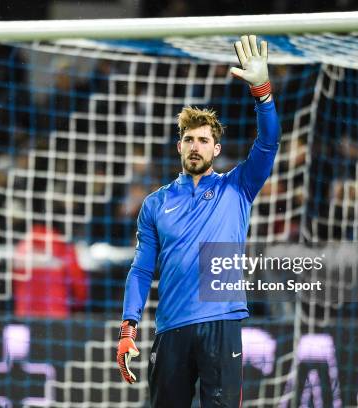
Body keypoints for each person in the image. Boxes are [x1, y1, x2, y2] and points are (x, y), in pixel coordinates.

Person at [116, 35, 281, 406]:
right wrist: (129, 325)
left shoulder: (237, 187)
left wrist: (262, 92)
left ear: (216, 149)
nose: (195, 146)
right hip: (171, 328)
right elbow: (142, 270)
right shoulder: (156, 204)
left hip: (220, 321)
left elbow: (269, 142)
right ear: (179, 146)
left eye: (204, 140)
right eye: (189, 139)